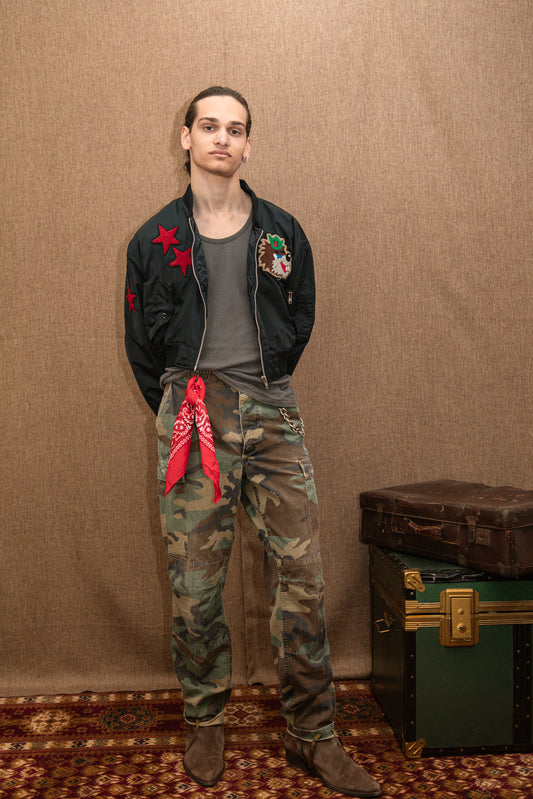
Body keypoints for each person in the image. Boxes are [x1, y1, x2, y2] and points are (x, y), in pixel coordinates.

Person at [124, 86, 381, 798]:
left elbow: (301, 314)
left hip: (273, 415)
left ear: (247, 144)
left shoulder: (281, 231)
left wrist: (264, 384)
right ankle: (205, 720)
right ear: (185, 137)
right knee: (195, 584)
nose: (221, 138)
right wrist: (178, 405)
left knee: (302, 577)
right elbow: (142, 345)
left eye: (234, 129)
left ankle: (313, 734)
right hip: (193, 416)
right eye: (208, 126)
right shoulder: (153, 240)